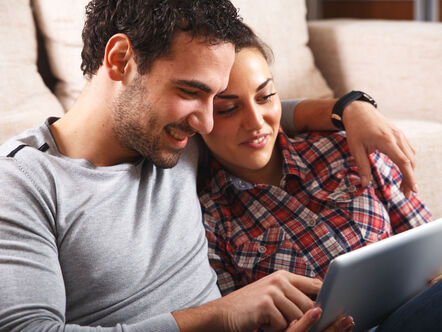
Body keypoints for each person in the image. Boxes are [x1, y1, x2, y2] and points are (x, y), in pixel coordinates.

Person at [0, 0, 423, 331]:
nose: (206, 122)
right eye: (191, 91)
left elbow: (266, 118)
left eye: (215, 100)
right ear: (120, 59)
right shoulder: (22, 183)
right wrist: (222, 315)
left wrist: (352, 107)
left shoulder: (178, 135)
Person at [197, 30, 438, 330]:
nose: (256, 122)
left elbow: (428, 245)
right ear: (198, 117)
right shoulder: (209, 223)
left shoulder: (344, 148)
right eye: (229, 109)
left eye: (265, 96)